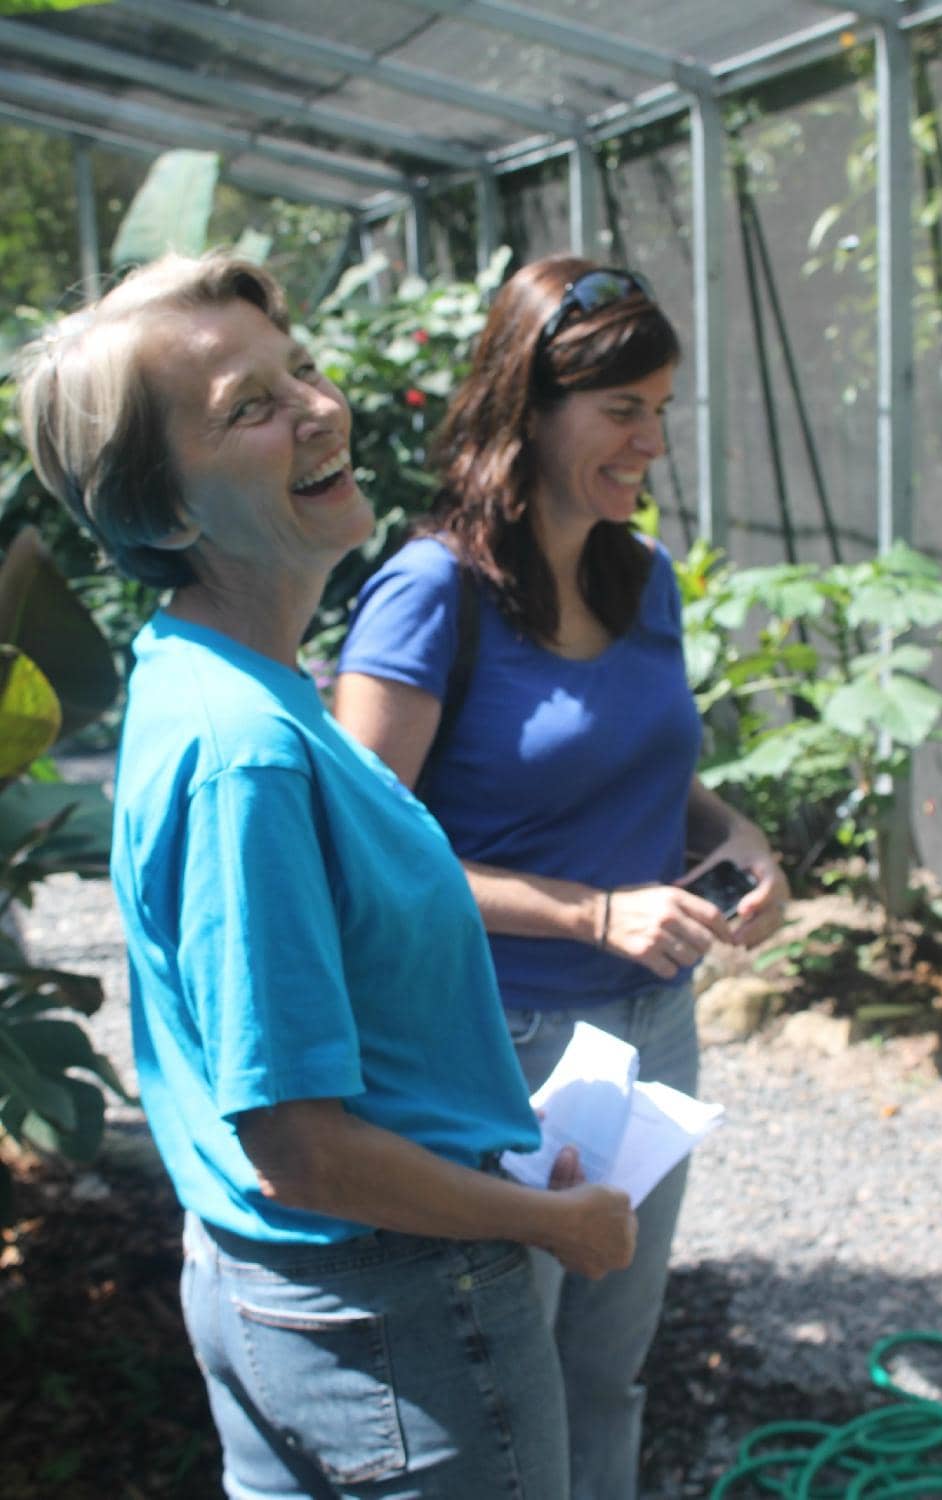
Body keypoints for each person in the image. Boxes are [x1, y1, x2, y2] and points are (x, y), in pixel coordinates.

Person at [15, 251, 638, 1500]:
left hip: (297, 1305)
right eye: (249, 407)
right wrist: (547, 1224)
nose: (319, 407)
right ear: (164, 512)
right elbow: (297, 1146)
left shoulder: (208, 675)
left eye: (298, 367)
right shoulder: (246, 751)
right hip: (397, 1322)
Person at [334, 254, 791, 1500]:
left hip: (654, 1033)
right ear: (528, 408)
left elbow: (653, 768)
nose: (650, 442)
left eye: (660, 409)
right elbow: (359, 857)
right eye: (621, 410)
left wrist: (740, 837)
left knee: (607, 1365)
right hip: (500, 1044)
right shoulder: (431, 596)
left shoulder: (637, 580)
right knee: (501, 1372)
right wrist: (590, 913)